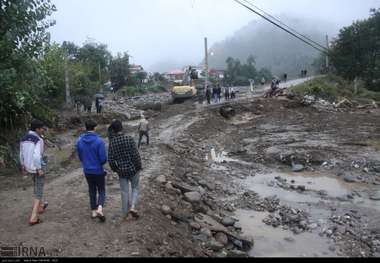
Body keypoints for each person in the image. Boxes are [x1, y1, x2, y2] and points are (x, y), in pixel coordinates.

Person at [108, 120, 142, 220]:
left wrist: (116, 169)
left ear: (113, 131)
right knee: (135, 188)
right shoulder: (129, 139)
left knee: (124, 191)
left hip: (121, 171)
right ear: (121, 128)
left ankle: (125, 213)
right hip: (133, 169)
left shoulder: (112, 143)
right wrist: (138, 166)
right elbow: (136, 155)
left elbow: (110, 159)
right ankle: (132, 207)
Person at [76, 120, 107, 222]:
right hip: (98, 170)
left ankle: (93, 211)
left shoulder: (79, 140)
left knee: (91, 190)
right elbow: (103, 159)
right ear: (94, 128)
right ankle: (100, 209)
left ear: (86, 128)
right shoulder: (99, 141)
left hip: (87, 170)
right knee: (101, 190)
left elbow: (80, 157)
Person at [20, 120, 49, 226]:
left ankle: (40, 207)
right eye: (42, 128)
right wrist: (39, 168)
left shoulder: (23, 139)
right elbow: (37, 156)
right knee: (39, 190)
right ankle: (33, 217)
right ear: (37, 129)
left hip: (28, 167)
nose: (43, 130)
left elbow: (21, 154)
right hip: (37, 168)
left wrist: (23, 167)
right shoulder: (38, 139)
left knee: (36, 185)